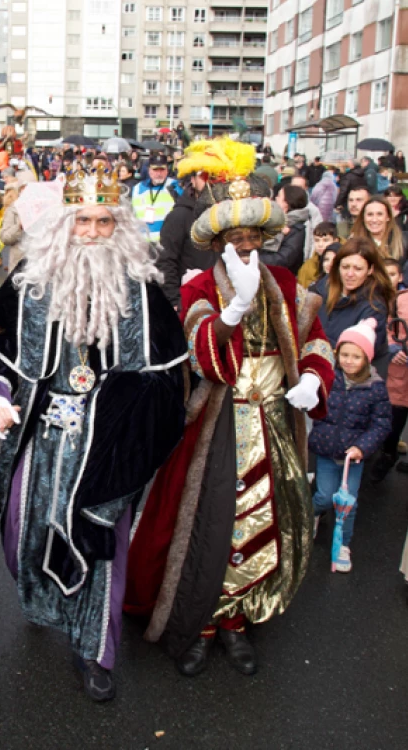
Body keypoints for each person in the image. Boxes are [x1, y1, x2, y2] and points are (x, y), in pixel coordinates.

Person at [125, 136, 335, 678]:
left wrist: (312, 378)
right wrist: (235, 308)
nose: (245, 248)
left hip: (272, 425)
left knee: (259, 520)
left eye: (253, 240)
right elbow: (200, 355)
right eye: (235, 239)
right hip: (217, 422)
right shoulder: (200, 285)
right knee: (209, 522)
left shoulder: (284, 281)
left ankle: (239, 621)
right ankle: (203, 621)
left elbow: (315, 340)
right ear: (218, 240)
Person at [0, 166, 187, 702]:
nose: (93, 233)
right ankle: (45, 601)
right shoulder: (32, 279)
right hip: (41, 434)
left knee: (99, 547)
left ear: (119, 227)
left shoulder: (142, 291)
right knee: (22, 531)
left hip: (109, 446)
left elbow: (166, 380)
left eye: (103, 222)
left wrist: (118, 417)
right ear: (64, 224)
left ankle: (95, 651)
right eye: (83, 221)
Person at [309, 319, 391, 572]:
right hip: (326, 451)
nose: (349, 361)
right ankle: (311, 514)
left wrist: (362, 448)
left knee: (348, 503)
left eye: (356, 356)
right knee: (324, 496)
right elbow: (316, 407)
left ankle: (343, 543)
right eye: (344, 354)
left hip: (351, 457)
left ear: (367, 358)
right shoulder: (330, 378)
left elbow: (381, 423)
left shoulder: (375, 388)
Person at [311, 238, 394, 376]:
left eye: (358, 269)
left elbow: (355, 356)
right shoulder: (318, 291)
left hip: (356, 385)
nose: (350, 274)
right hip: (317, 373)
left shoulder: (374, 307)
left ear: (370, 270)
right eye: (345, 267)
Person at [370, 260, 408, 481]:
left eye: (393, 274)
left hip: (399, 369)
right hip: (382, 364)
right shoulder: (373, 300)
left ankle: (388, 453)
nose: (389, 278)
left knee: (397, 411)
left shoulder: (403, 300)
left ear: (400, 276)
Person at [156, 167, 214, 309]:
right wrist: (174, 301)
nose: (210, 181)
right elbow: (166, 259)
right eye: (204, 176)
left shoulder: (225, 215)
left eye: (215, 176)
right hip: (188, 301)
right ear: (193, 180)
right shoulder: (180, 215)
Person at [259, 184, 308, 273]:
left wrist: (253, 259)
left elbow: (284, 259)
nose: (275, 199)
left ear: (286, 203)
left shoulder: (296, 229)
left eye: (278, 196)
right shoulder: (273, 222)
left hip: (281, 278)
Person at [131, 155, 180, 243]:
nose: (159, 173)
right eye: (155, 170)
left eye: (162, 170)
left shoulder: (174, 186)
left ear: (167, 170)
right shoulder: (137, 188)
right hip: (142, 242)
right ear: (149, 170)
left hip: (166, 242)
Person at [351, 195, 408, 266]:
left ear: (388, 217)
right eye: (370, 214)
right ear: (363, 217)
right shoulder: (354, 242)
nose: (374, 219)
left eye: (379, 214)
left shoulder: (404, 239)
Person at [298, 221, 338, 288]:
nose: (320, 244)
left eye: (325, 240)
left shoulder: (344, 261)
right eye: (317, 240)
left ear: (335, 241)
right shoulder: (307, 266)